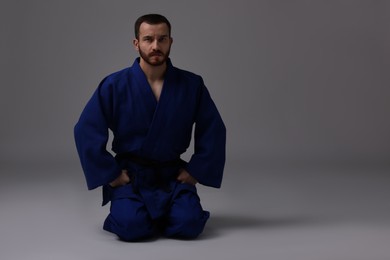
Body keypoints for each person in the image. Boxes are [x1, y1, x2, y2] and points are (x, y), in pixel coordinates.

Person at [74, 14, 226, 241]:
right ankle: (143, 211)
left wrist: (195, 170)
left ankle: (170, 210)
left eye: (162, 39)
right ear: (136, 43)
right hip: (132, 176)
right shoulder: (114, 85)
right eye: (148, 39)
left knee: (189, 225)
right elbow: (85, 129)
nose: (156, 46)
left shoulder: (192, 84)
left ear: (171, 42)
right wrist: (111, 174)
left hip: (172, 175)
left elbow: (213, 128)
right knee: (131, 227)